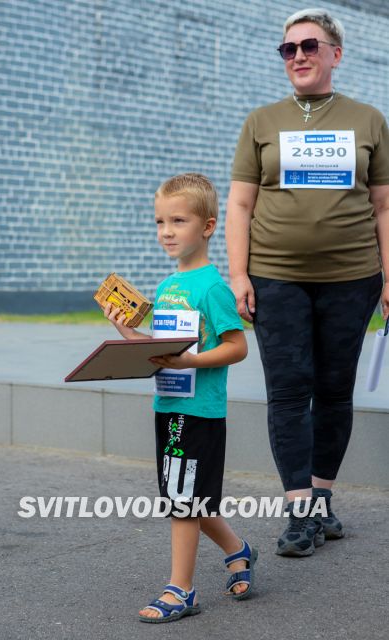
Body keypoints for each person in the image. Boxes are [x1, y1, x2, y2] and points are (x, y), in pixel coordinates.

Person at [226, 8, 389, 558]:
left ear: (335, 54)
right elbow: (241, 204)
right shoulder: (261, 121)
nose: (298, 55)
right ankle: (300, 511)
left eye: (310, 46)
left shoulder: (368, 120)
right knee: (290, 391)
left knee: (336, 391)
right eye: (288, 48)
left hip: (352, 279)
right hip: (276, 279)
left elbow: (384, 205)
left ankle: (322, 500)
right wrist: (240, 272)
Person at [104, 173, 257, 622]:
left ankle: (181, 589)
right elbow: (162, 349)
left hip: (199, 411)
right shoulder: (170, 286)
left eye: (178, 220)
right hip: (168, 406)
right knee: (181, 496)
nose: (166, 231)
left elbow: (238, 346)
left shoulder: (211, 287)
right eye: (159, 222)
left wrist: (189, 362)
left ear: (208, 227)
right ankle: (238, 549)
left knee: (183, 500)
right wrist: (127, 331)